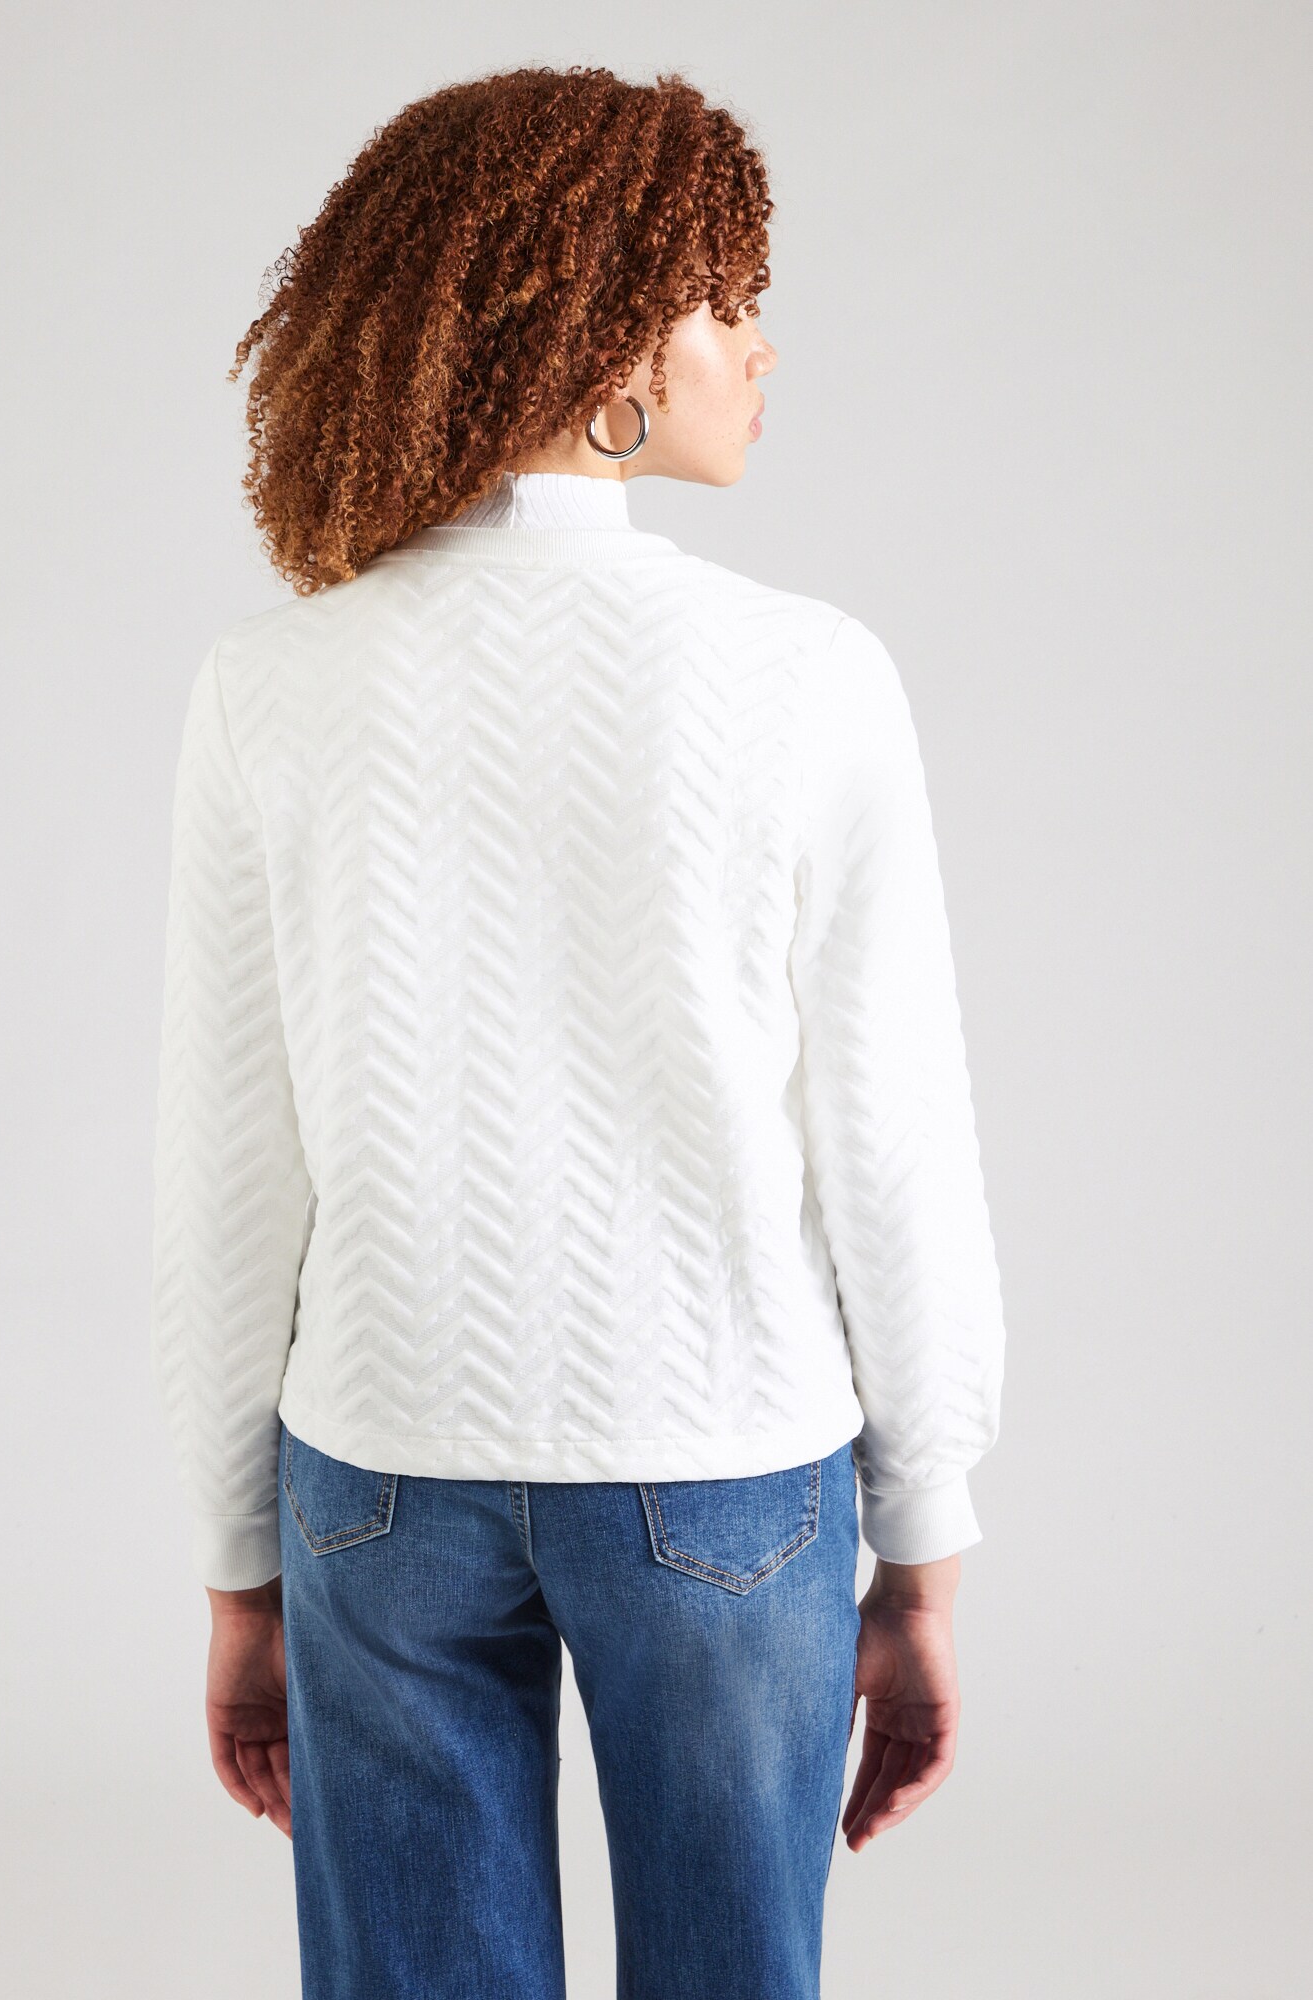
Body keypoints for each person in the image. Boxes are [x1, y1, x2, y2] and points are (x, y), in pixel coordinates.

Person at [149, 62, 1006, 2000]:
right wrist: (927, 1541)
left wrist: (234, 1567)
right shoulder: (810, 676)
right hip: (727, 1462)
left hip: (376, 1472)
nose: (762, 348)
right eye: (728, 301)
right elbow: (893, 1140)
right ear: (608, 336)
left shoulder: (270, 684)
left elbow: (226, 1171)